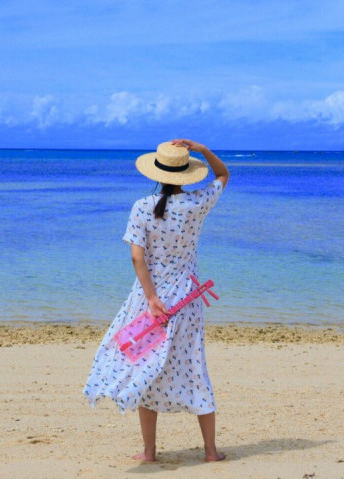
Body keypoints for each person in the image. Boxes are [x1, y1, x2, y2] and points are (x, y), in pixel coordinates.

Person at [84, 138, 229, 463]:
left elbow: (137, 258)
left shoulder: (141, 207)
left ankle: (149, 452)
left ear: (157, 172)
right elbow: (223, 175)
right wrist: (203, 150)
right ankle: (210, 451)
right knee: (193, 366)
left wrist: (150, 297)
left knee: (145, 366)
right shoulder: (196, 204)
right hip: (186, 303)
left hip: (149, 302)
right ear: (187, 174)